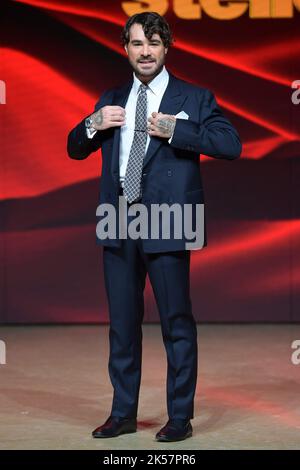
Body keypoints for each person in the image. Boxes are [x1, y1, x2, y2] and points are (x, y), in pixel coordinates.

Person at [67, 12, 242, 442]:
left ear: (167, 47)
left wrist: (175, 128)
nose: (145, 51)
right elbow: (74, 148)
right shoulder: (111, 97)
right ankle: (123, 413)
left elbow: (230, 144)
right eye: (136, 43)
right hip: (119, 220)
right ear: (125, 47)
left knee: (176, 322)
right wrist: (92, 124)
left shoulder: (194, 97)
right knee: (122, 324)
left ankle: (179, 417)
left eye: (153, 43)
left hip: (169, 220)